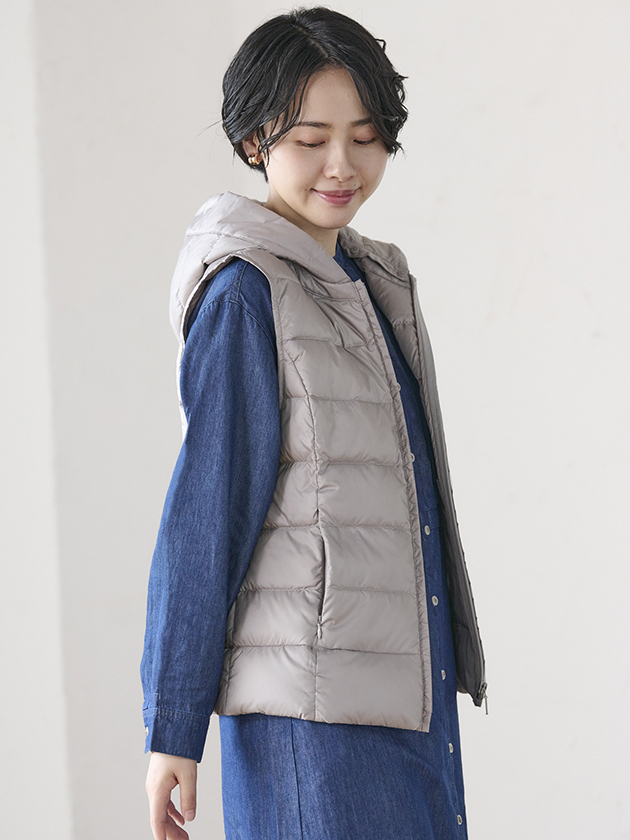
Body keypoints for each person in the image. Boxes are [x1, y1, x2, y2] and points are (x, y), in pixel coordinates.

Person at [141, 7, 487, 840]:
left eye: (365, 137)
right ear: (255, 139)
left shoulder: (372, 285)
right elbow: (206, 515)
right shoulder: (245, 294)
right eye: (311, 139)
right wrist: (172, 727)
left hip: (409, 706)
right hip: (313, 729)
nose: (342, 165)